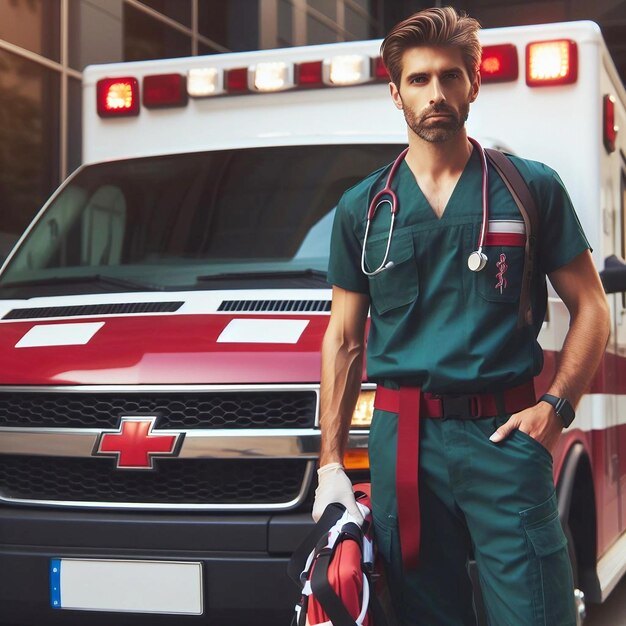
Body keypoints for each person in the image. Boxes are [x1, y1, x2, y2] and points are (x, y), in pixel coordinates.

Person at [312, 6, 610, 626]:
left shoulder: (531, 188)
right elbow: (342, 339)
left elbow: (592, 309)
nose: (437, 93)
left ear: (474, 84)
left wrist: (556, 408)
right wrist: (332, 466)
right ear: (395, 93)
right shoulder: (363, 208)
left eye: (451, 76)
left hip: (504, 436)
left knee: (539, 613)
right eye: (419, 80)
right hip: (403, 447)